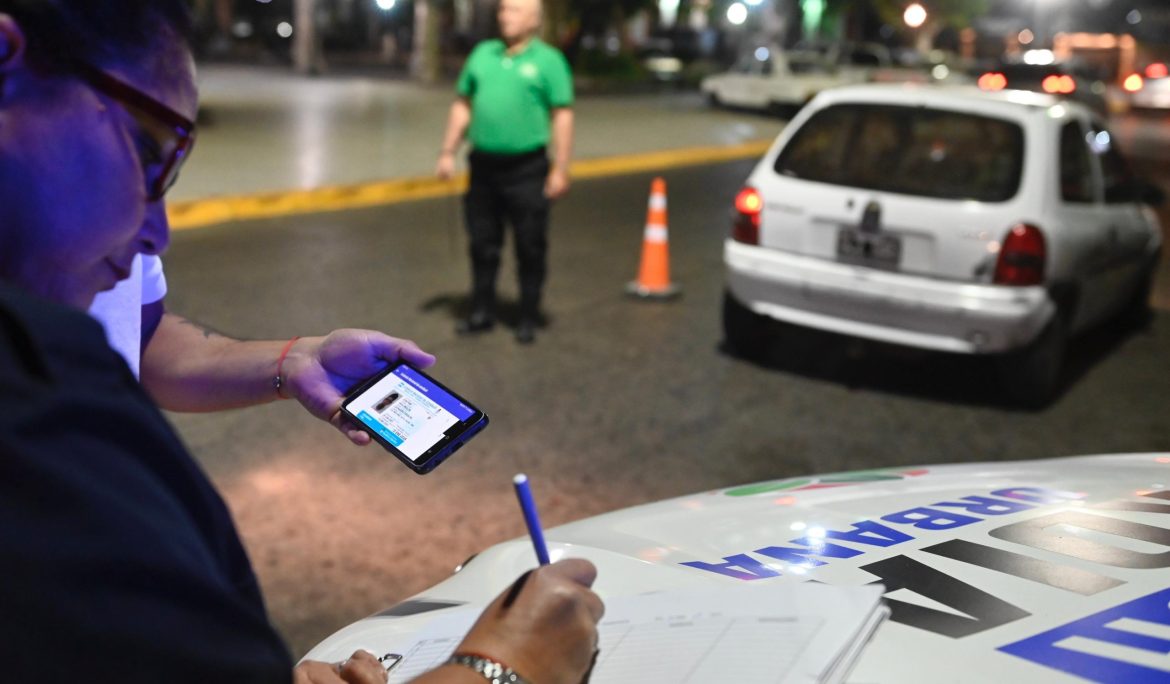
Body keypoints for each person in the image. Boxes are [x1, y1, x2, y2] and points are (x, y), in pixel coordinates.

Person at [0, 2, 602, 682]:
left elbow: (136, 339)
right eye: (148, 151)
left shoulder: (70, 275)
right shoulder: (26, 412)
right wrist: (504, 666)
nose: (155, 232)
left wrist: (293, 361)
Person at [435, 0, 574, 344]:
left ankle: (527, 313)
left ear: (534, 19)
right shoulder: (483, 54)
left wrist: (561, 167)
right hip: (483, 167)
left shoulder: (549, 61)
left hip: (527, 169)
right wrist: (448, 151)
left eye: (513, 10)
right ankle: (482, 310)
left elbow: (562, 115)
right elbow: (462, 104)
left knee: (530, 245)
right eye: (502, 10)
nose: (504, 16)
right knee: (482, 243)